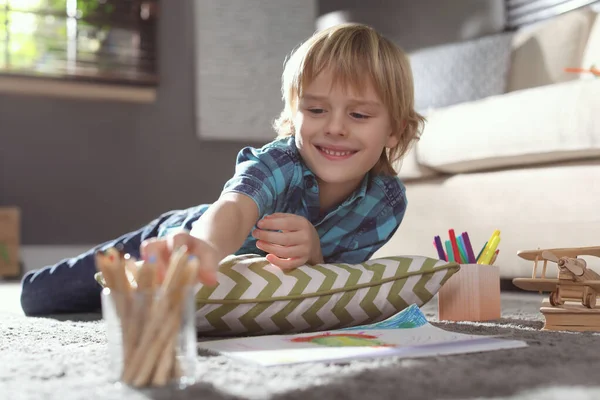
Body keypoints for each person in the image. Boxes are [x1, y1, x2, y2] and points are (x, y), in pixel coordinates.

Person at [20, 23, 425, 316]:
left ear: (395, 130)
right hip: (177, 242)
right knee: (42, 297)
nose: (334, 127)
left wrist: (315, 253)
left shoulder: (384, 205)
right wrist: (206, 250)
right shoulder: (279, 162)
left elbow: (335, 285)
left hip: (239, 289)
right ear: (293, 116)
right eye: (316, 110)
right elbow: (234, 207)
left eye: (358, 114)